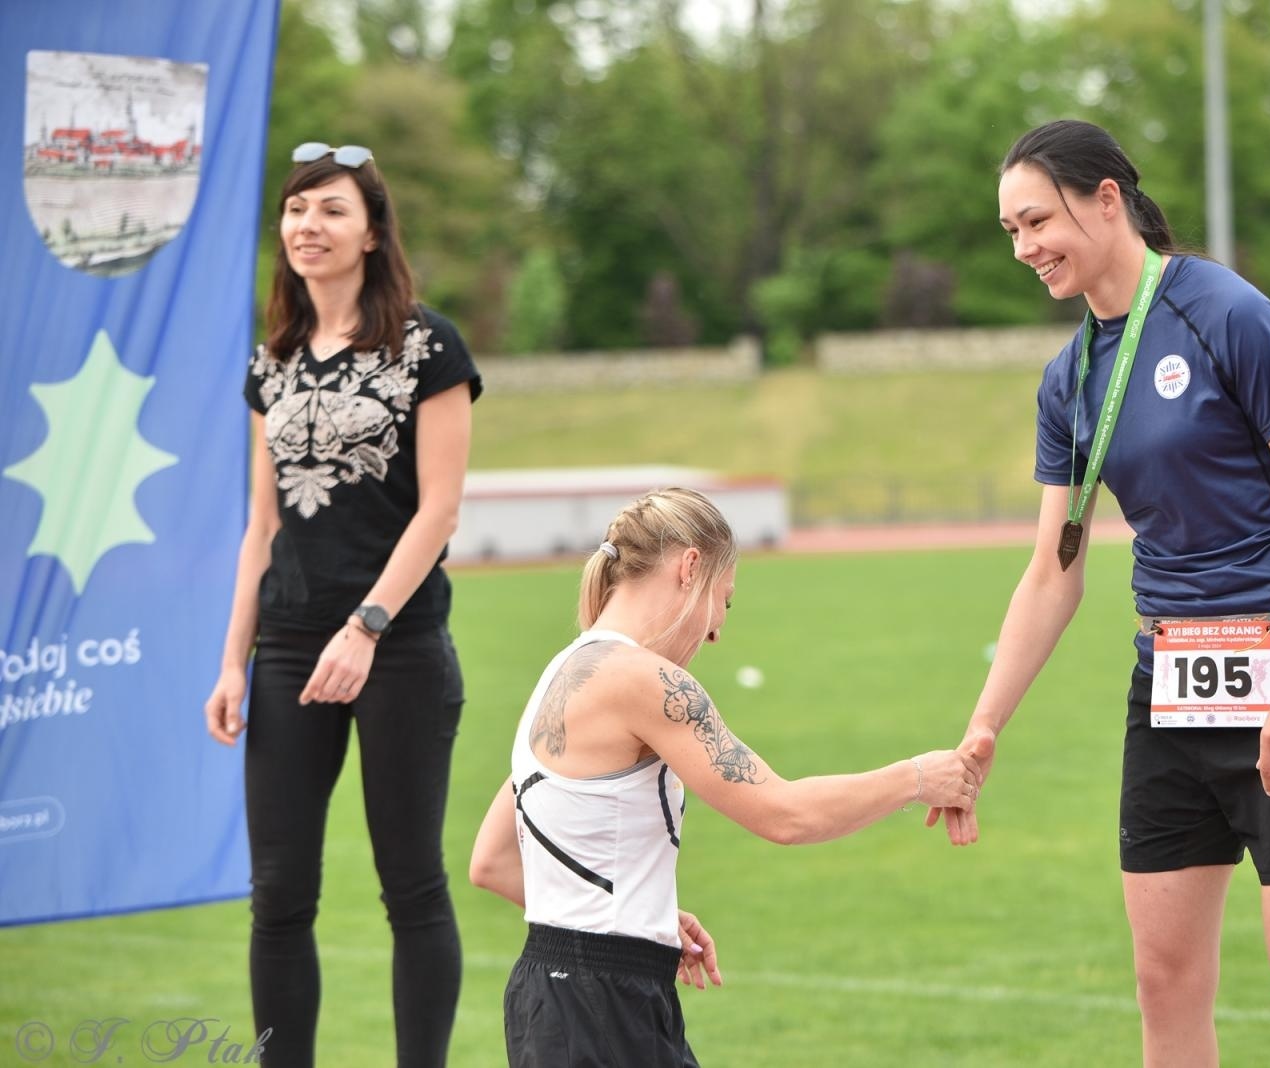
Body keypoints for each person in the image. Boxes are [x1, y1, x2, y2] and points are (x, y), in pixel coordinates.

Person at [930, 119, 1270, 1067]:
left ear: (1107, 200)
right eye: (1010, 231)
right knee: (1165, 986)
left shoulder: (1225, 314)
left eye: (1036, 222)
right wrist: (984, 726)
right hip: (1173, 690)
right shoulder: (1070, 377)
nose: (1023, 249)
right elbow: (1053, 569)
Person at [469, 487, 984, 1068]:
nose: (716, 630)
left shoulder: (560, 674)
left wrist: (642, 918)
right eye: (725, 600)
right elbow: (785, 814)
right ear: (690, 567)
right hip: (605, 1006)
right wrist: (919, 777)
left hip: (551, 998)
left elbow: (491, 861)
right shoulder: (644, 681)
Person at [204, 141, 481, 1068]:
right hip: (285, 648)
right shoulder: (273, 361)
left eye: (331, 210)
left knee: (413, 888)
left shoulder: (428, 346)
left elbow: (440, 509)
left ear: (371, 233)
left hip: (397, 648)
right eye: (296, 209)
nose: (308, 226)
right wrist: (232, 662)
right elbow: (262, 524)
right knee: (279, 897)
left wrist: (367, 626)